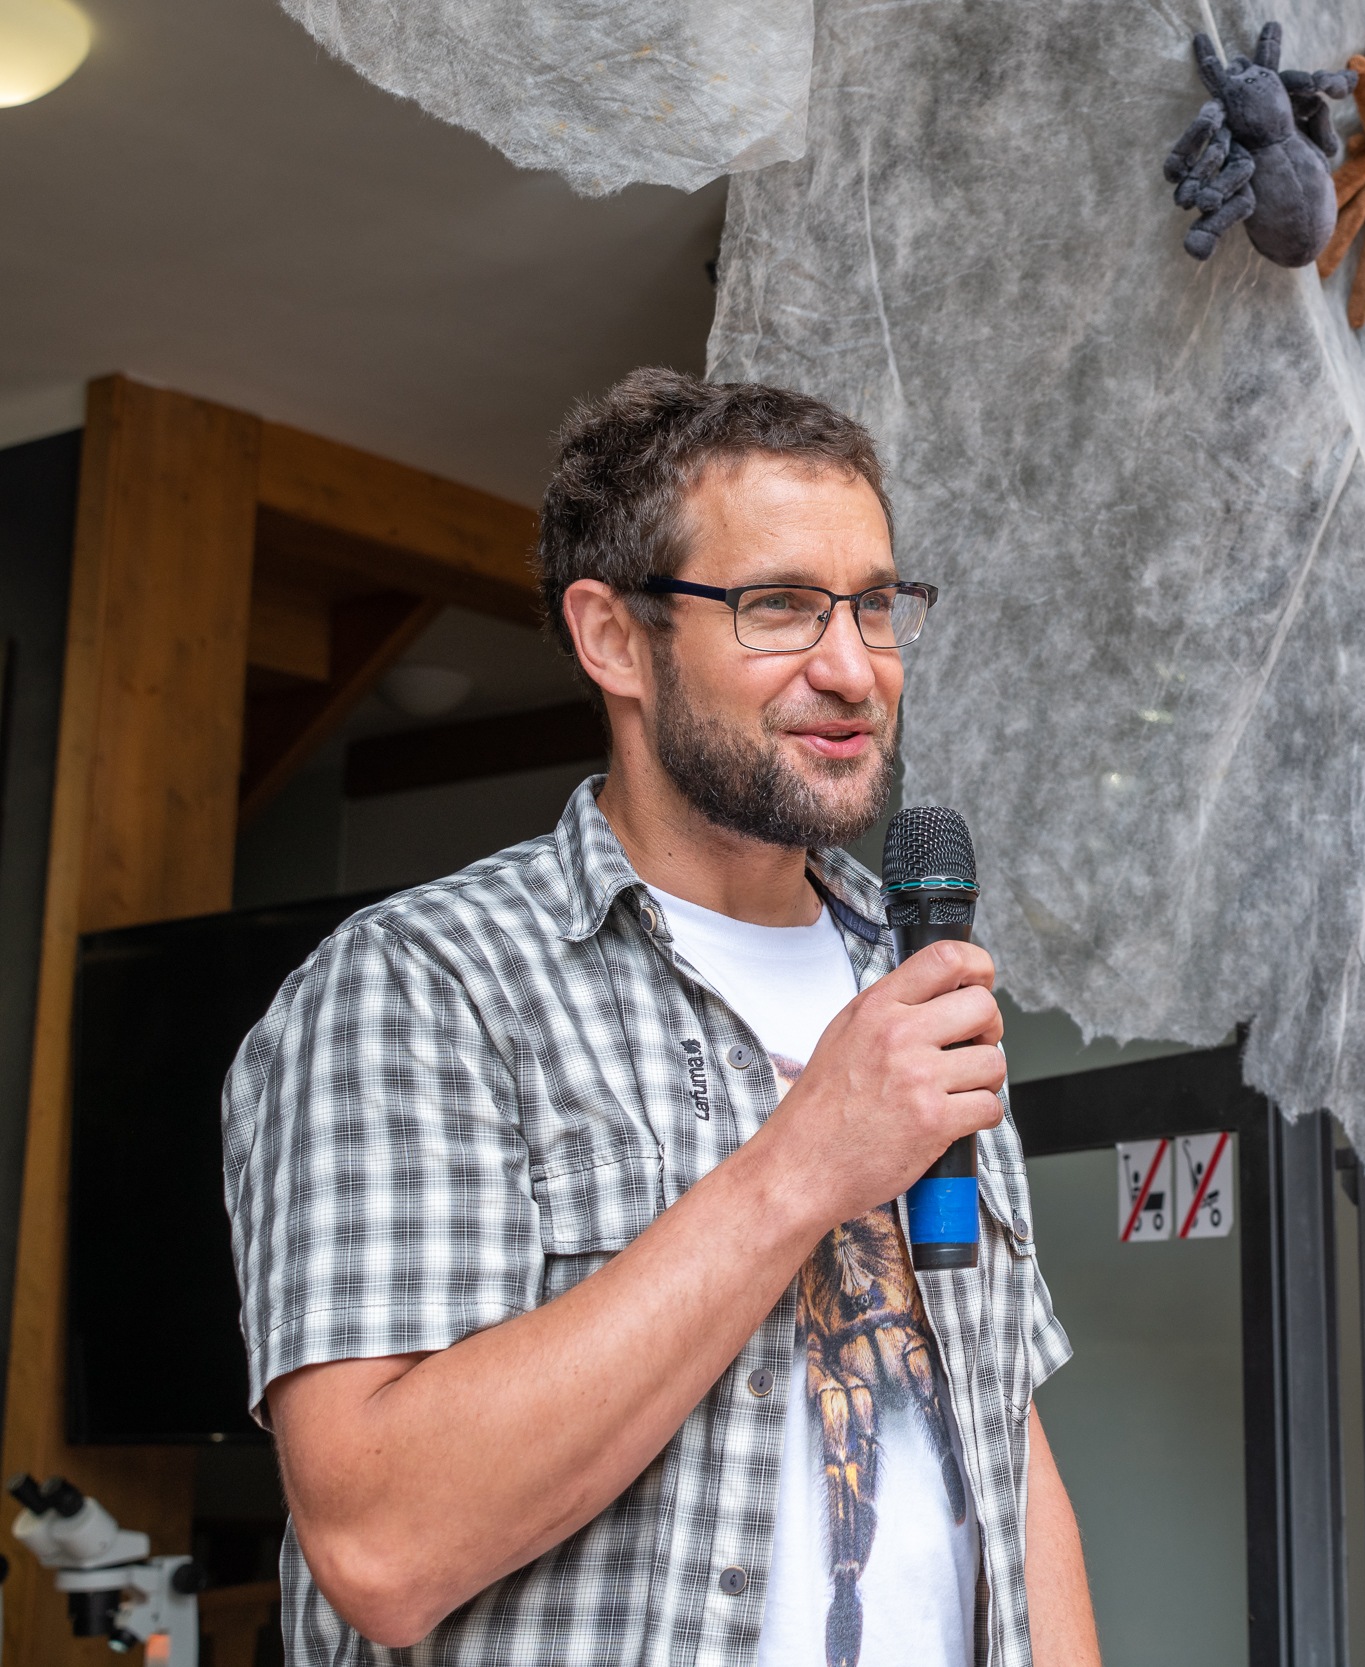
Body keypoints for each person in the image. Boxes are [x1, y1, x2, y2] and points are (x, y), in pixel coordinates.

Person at [222, 368, 1101, 1667]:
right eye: (782, 608)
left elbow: (999, 1444)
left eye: (874, 605)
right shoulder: (423, 985)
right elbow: (382, 1549)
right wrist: (801, 1169)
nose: (854, 667)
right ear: (614, 639)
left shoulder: (912, 972)